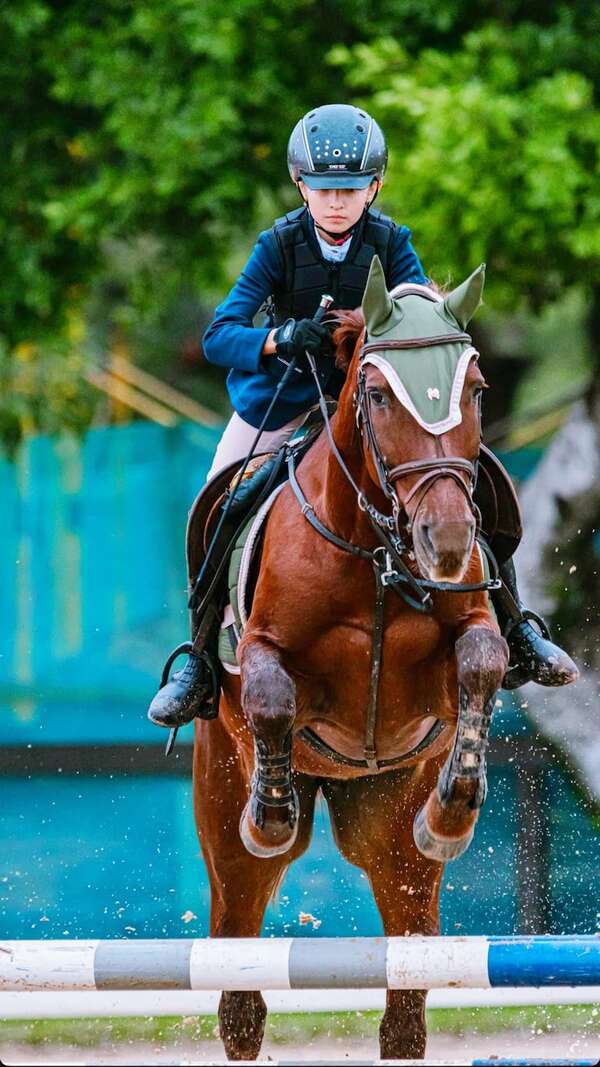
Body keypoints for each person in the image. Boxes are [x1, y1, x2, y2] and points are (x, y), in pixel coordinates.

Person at [147, 104, 576, 730]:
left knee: (476, 477)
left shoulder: (390, 241)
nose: (337, 202)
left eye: (350, 190)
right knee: (218, 504)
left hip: (378, 409)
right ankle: (199, 665)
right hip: (284, 402)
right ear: (302, 187)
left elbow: (425, 313)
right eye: (324, 189)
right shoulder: (279, 244)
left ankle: (518, 627)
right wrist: (278, 339)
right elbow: (219, 336)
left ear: (374, 187)